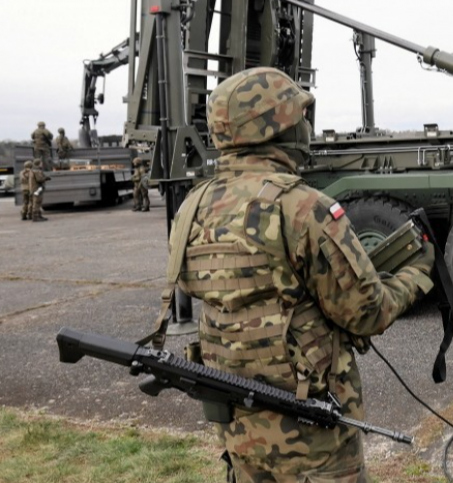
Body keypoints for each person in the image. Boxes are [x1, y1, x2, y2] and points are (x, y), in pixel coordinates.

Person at [169, 67, 434, 483]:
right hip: (314, 432)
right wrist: (416, 274)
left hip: (238, 422)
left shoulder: (192, 206)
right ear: (279, 128)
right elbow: (367, 314)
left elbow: (192, 285)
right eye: (299, 118)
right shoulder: (303, 207)